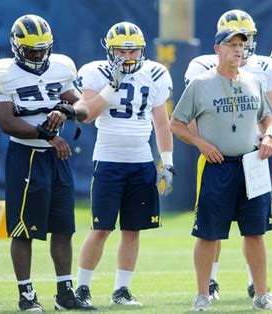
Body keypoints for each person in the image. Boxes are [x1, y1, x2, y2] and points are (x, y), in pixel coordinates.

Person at [0, 14, 96, 311]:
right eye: (31, 50)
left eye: (42, 49)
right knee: (24, 229)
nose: (38, 55)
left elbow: (82, 107)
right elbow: (6, 122)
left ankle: (65, 293)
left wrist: (65, 110)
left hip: (56, 157)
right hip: (26, 156)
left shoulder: (60, 67)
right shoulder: (1, 74)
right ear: (17, 48)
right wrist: (47, 135)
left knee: (64, 227)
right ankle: (26, 294)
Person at [170, 27, 272, 311]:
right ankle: (202, 295)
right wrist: (200, 143)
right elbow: (176, 123)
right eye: (231, 44)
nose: (237, 49)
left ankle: (260, 295)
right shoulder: (200, 83)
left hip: (250, 164)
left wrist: (269, 135)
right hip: (217, 165)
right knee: (208, 233)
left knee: (256, 232)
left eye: (241, 45)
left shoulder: (254, 81)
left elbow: (268, 117)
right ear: (217, 48)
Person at [74, 21, 174, 308]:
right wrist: (113, 84)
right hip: (108, 160)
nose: (128, 57)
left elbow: (161, 122)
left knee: (133, 229)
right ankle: (82, 288)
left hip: (141, 161)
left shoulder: (155, 73)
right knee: (101, 228)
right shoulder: (95, 72)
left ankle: (122, 290)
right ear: (110, 50)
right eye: (121, 51)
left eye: (133, 51)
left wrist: (166, 162)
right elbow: (88, 115)